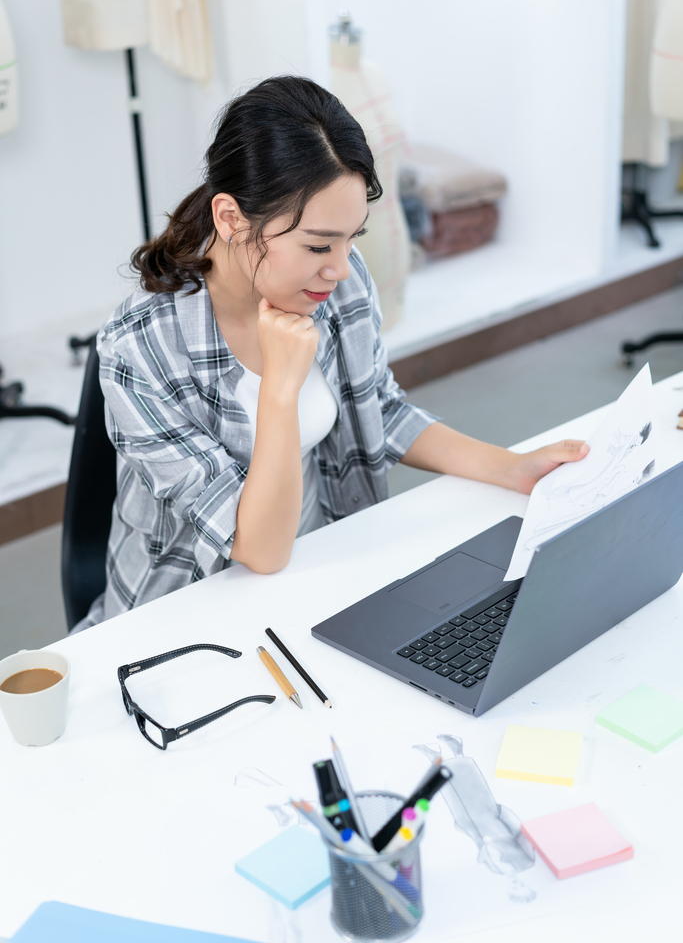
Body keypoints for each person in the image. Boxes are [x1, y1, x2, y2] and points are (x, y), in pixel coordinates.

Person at [74, 76, 588, 630]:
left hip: (317, 571)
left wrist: (512, 468)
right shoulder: (140, 348)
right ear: (230, 219)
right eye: (318, 244)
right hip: (185, 612)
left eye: (352, 238)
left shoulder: (333, 282)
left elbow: (381, 408)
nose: (341, 267)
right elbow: (259, 549)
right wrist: (280, 389)